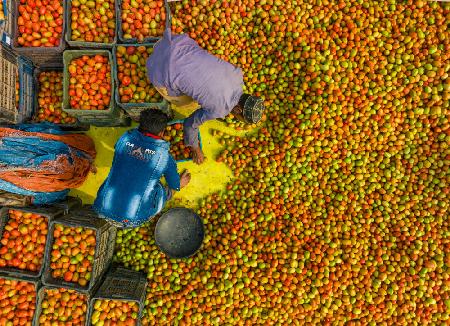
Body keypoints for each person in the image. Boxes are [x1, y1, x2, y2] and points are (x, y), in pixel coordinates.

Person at [146, 26, 266, 165]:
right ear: (238, 110)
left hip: (178, 43)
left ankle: (160, 49)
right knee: (181, 100)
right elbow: (190, 124)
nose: (235, 118)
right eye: (238, 117)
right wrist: (196, 149)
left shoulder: (237, 74)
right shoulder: (219, 109)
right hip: (163, 68)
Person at [93, 109, 191, 228]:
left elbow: (117, 147)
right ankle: (175, 189)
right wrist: (179, 184)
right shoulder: (163, 155)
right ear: (162, 133)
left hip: (101, 207)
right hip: (134, 218)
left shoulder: (125, 138)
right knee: (161, 187)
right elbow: (173, 184)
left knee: (124, 174)